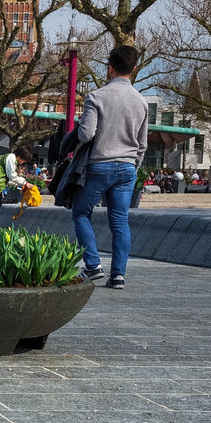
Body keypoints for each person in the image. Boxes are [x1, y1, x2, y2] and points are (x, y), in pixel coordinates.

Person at [72, 44, 148, 290]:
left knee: (81, 213)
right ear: (134, 69)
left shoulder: (96, 97)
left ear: (109, 69)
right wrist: (133, 167)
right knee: (119, 222)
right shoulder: (141, 101)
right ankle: (118, 276)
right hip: (126, 168)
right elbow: (143, 144)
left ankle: (93, 265)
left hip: (99, 165)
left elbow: (85, 135)